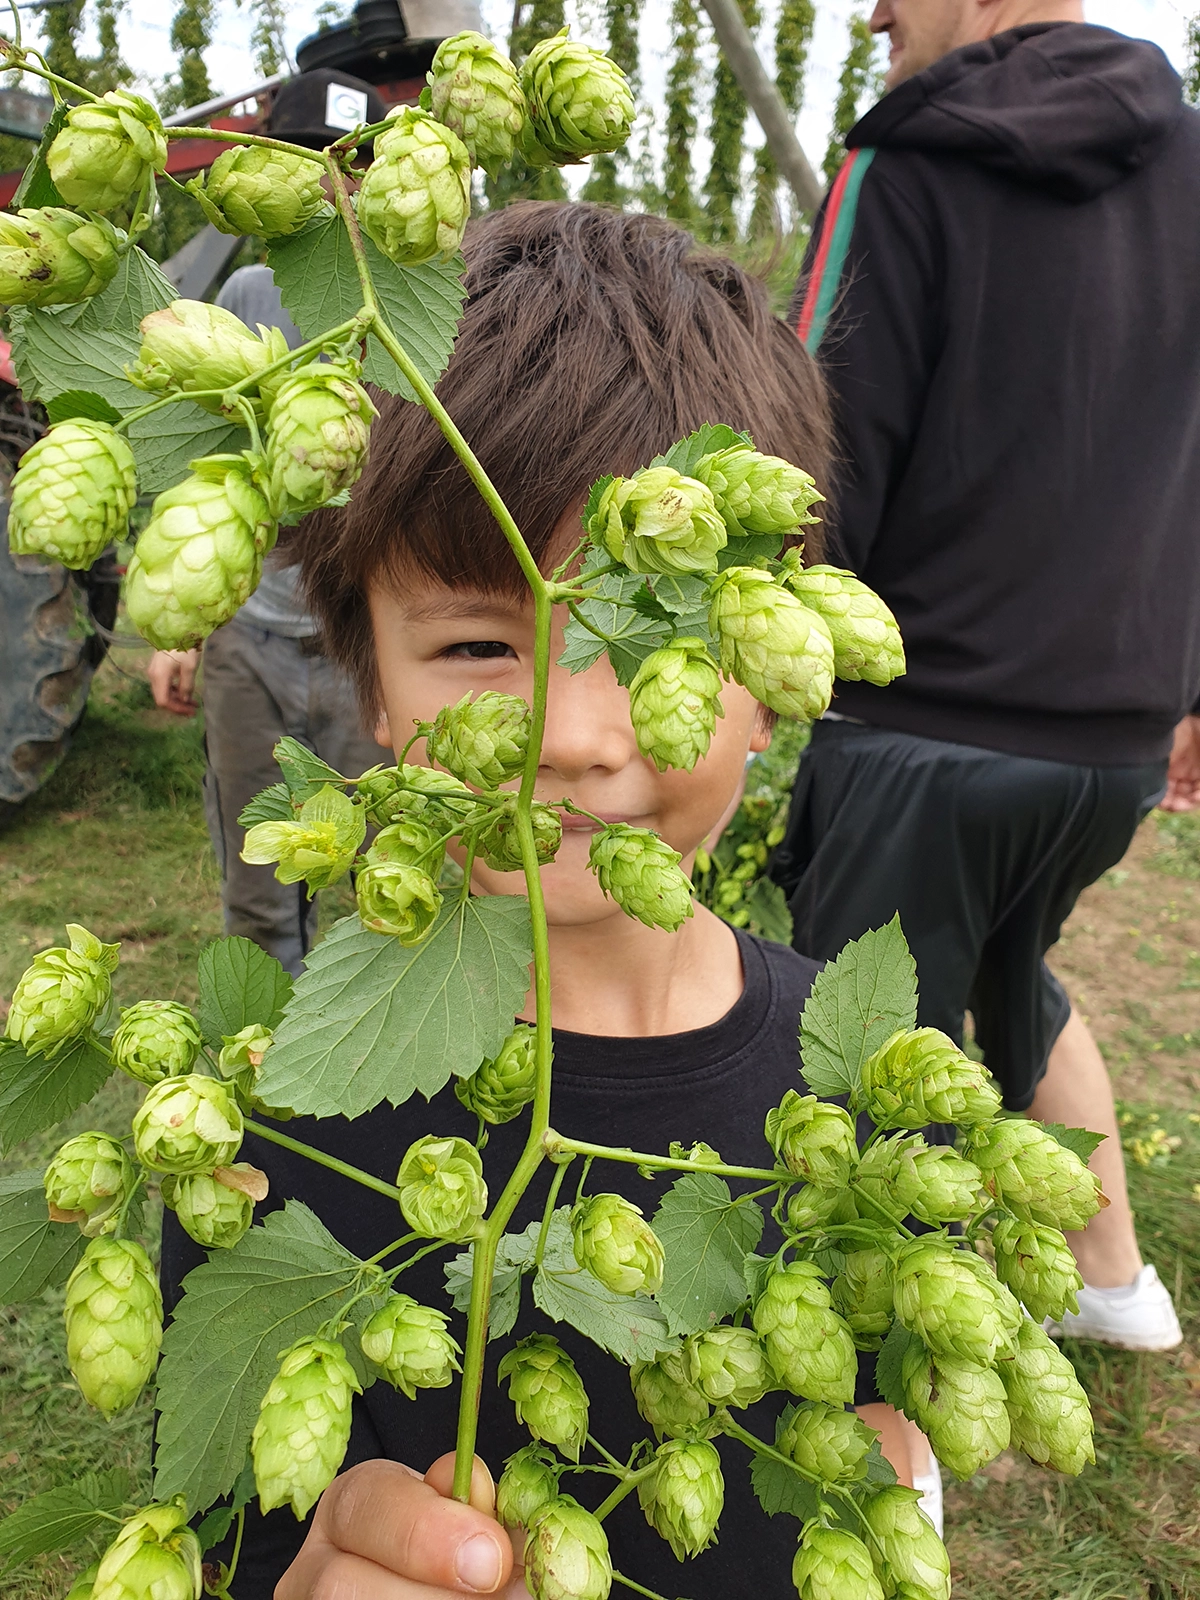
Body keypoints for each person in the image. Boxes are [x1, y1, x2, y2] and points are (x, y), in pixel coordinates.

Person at [162, 202, 936, 1599]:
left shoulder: (871, 1093)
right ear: (372, 690)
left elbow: (893, 1430)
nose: (572, 737)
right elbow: (237, 1521)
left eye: (661, 638)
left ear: (778, 673)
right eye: (477, 642)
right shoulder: (266, 1133)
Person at [772, 0, 1200, 1350]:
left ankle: (882, 1394)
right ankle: (1111, 1283)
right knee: (1016, 976)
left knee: (856, 1071)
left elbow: (819, 455)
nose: (875, 16)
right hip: (1115, 740)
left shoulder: (908, 155)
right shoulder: (1191, 162)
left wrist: (762, 649)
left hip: (926, 723)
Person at [149, 74, 389, 977]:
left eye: (347, 162)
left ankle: (360, 1052)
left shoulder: (409, 307)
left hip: (368, 644)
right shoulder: (248, 292)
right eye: (302, 159)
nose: (328, 183)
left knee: (381, 884)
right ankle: (265, 1053)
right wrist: (186, 628)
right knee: (258, 890)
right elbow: (207, 456)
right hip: (251, 637)